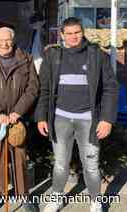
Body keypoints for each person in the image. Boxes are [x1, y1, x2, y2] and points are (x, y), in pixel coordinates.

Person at [35, 17, 119, 212]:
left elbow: (111, 88)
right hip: (60, 119)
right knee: (61, 164)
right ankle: (56, 197)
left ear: (83, 33)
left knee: (91, 164)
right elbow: (44, 90)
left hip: (89, 120)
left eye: (77, 32)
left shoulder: (96, 55)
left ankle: (96, 201)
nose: (74, 37)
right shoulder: (53, 57)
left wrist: (106, 119)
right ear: (62, 35)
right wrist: (41, 116)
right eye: (69, 33)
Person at [0, 27, 39, 212]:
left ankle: (23, 195)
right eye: (0, 40)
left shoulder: (26, 59)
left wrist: (18, 112)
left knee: (20, 159)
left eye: (7, 40)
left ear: (13, 40)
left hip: (17, 120)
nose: (4, 43)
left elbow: (33, 88)